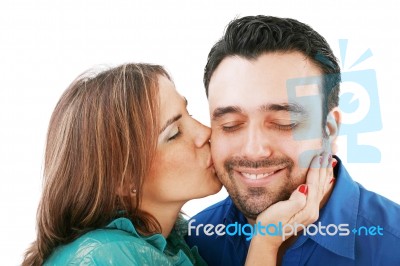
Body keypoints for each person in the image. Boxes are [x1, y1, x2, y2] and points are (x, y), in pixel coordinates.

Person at [22, 63, 333, 265]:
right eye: (173, 134)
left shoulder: (177, 241)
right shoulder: (106, 258)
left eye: (190, 114)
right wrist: (266, 241)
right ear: (121, 178)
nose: (205, 133)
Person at [186, 15, 400, 265]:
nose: (254, 149)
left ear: (329, 130)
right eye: (230, 125)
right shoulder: (194, 243)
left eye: (283, 123)